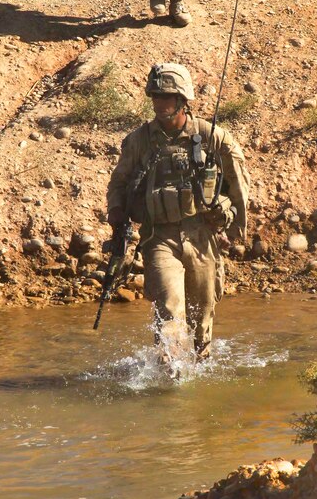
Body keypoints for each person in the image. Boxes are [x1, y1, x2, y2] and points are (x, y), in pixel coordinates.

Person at [106, 64, 250, 366]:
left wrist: (234, 222)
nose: (160, 104)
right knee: (170, 308)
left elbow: (239, 181)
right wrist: (118, 216)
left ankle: (199, 368)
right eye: (155, 96)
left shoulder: (212, 137)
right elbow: (118, 182)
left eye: (167, 97)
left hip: (201, 235)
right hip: (159, 237)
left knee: (202, 313)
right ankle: (169, 375)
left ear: (183, 99)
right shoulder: (139, 140)